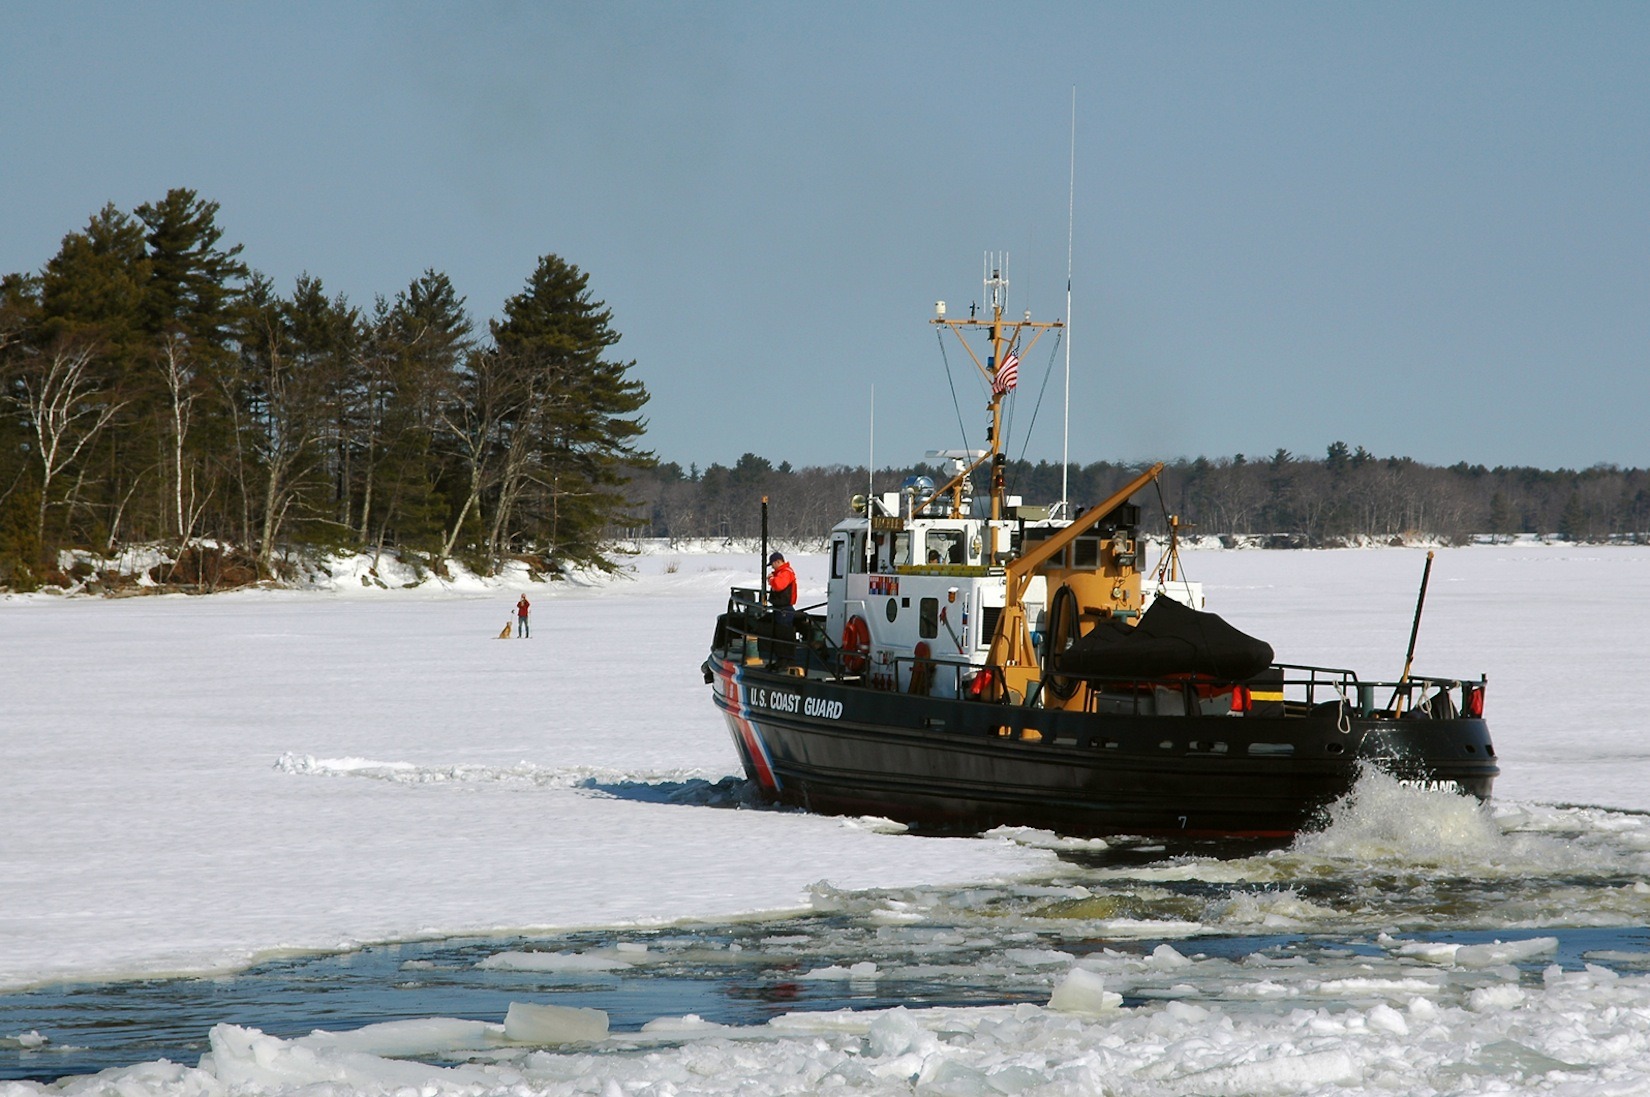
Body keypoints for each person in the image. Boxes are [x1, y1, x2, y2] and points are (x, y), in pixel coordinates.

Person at [767, 551, 797, 653]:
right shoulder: (782, 573)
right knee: (780, 634)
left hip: (784, 609)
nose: (772, 567)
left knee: (784, 635)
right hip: (781, 608)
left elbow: (779, 585)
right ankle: (781, 658)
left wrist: (771, 579)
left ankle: (786, 658)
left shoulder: (785, 573)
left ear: (777, 562)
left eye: (772, 564)